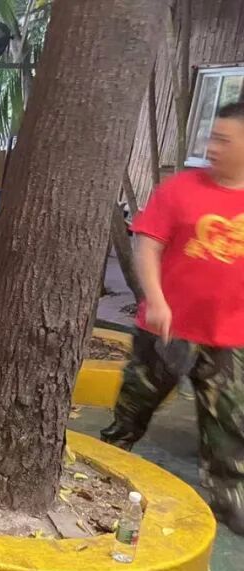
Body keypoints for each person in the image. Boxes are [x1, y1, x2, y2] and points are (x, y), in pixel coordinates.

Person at [102, 101, 244, 534]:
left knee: (229, 424)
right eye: (212, 137)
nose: (212, 147)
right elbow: (148, 245)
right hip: (166, 330)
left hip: (230, 336)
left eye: (223, 140)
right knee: (134, 409)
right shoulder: (180, 189)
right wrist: (157, 299)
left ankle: (229, 499)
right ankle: (107, 466)